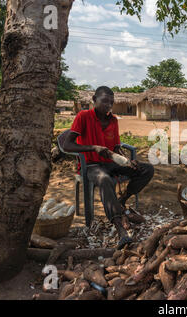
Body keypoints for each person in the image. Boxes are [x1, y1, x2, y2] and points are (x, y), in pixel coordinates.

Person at [63, 86, 154, 249]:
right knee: (105, 180)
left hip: (111, 163)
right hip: (91, 165)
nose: (108, 105)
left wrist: (127, 161)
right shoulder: (83, 116)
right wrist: (93, 148)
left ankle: (122, 200)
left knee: (146, 169)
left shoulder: (113, 120)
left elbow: (116, 148)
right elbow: (67, 144)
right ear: (94, 100)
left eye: (111, 102)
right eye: (105, 101)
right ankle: (120, 229)